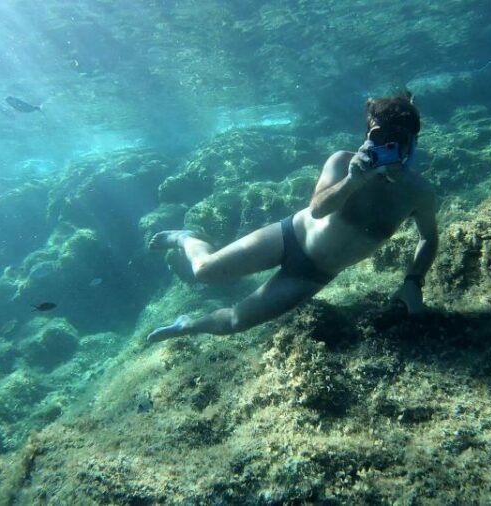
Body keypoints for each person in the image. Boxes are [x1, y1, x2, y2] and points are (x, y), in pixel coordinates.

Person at [147, 92, 438, 342]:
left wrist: (414, 280)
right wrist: (353, 181)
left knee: (236, 322)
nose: (388, 147)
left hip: (314, 274)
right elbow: (318, 209)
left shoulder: (418, 192)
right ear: (367, 137)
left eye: (397, 140)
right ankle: (185, 238)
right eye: (379, 137)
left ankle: (187, 325)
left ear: (412, 142)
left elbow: (428, 237)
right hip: (288, 237)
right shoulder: (342, 162)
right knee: (204, 271)